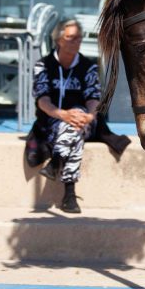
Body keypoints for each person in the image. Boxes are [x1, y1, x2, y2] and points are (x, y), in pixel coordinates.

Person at [31, 19, 101, 213]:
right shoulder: (43, 65)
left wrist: (89, 116)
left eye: (78, 37)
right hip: (53, 119)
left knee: (76, 119)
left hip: (84, 121)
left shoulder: (89, 67)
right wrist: (62, 114)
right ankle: (69, 195)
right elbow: (42, 100)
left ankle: (56, 162)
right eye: (70, 38)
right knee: (72, 130)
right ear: (59, 40)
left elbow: (94, 99)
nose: (75, 41)